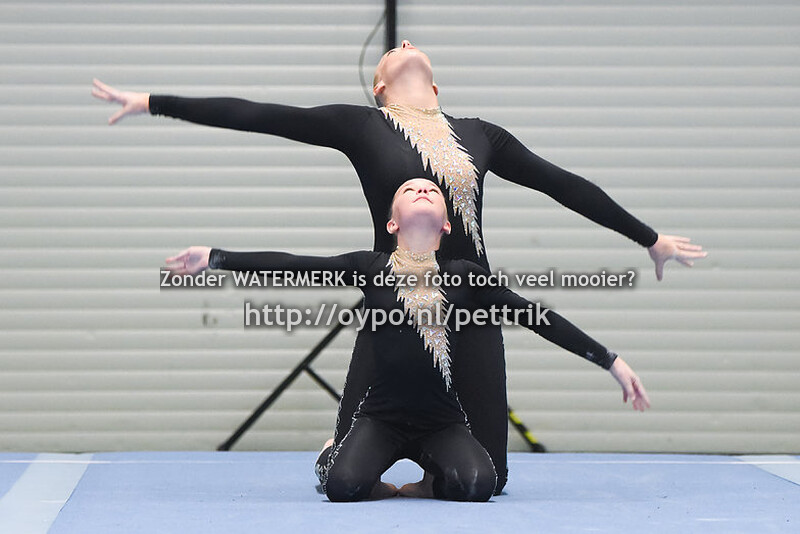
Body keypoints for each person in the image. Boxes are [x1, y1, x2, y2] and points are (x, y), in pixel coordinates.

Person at [94, 40, 703, 492]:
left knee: (490, 479)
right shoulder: (362, 125)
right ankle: (360, 450)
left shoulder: (480, 135)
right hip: (392, 309)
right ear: (379, 87)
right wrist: (154, 102)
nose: (404, 45)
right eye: (392, 51)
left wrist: (647, 238)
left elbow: (562, 185)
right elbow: (260, 114)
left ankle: (427, 469)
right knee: (338, 479)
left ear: (436, 89)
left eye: (411, 46)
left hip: (473, 306)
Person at [164, 179, 650, 502]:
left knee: (481, 485)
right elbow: (296, 263)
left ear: (445, 227)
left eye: (431, 190)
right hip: (381, 417)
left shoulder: (465, 276)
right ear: (392, 223)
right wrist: (218, 257)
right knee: (341, 487)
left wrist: (609, 360)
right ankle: (335, 451)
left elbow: (536, 315)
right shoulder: (370, 268)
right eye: (410, 188)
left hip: (442, 420)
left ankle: (425, 482)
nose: (421, 188)